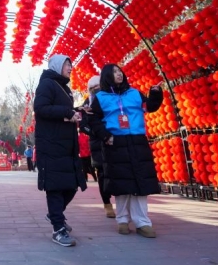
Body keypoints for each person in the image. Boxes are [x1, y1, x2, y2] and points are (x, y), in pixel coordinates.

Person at [88, 64, 163, 238]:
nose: (119, 74)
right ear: (107, 76)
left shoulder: (134, 93)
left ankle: (142, 222)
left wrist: (155, 93)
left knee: (140, 183)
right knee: (122, 184)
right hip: (115, 143)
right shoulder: (100, 97)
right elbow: (92, 119)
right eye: (114, 72)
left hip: (137, 141)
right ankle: (122, 220)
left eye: (120, 71)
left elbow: (149, 106)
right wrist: (106, 136)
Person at [33, 54, 87, 247]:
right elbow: (40, 108)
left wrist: (78, 110)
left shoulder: (64, 88)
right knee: (55, 187)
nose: (70, 68)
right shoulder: (47, 84)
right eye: (66, 64)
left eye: (71, 65)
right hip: (51, 145)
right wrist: (67, 112)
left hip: (66, 146)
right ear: (56, 66)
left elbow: (62, 111)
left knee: (71, 185)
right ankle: (58, 229)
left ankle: (54, 214)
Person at [79, 75, 115, 218]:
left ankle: (122, 202)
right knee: (102, 174)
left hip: (113, 141)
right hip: (97, 145)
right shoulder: (87, 104)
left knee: (116, 172)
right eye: (93, 88)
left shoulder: (112, 99)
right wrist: (95, 132)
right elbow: (82, 126)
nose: (96, 90)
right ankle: (107, 203)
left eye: (98, 86)